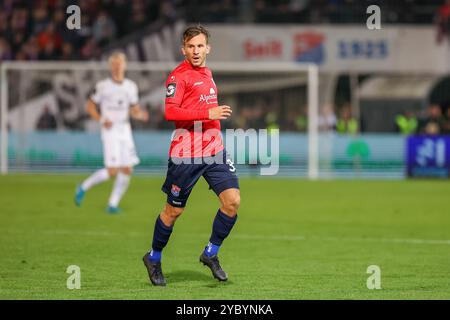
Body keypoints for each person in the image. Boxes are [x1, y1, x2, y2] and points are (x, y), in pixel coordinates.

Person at [142, 25, 240, 286]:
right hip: (186, 154)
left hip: (214, 151)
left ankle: (211, 253)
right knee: (173, 211)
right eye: (191, 46)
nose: (196, 51)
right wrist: (208, 114)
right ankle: (154, 257)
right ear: (183, 49)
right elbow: (171, 112)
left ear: (208, 48)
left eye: (200, 46)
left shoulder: (207, 73)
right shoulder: (178, 77)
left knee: (232, 202)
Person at [74, 52, 149, 213]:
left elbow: (134, 109)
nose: (117, 66)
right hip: (110, 130)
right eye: (114, 63)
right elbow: (90, 107)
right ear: (110, 66)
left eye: (119, 63)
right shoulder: (103, 86)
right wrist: (102, 120)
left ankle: (112, 205)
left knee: (127, 169)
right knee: (112, 170)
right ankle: (83, 186)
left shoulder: (130, 86)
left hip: (125, 129)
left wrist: (140, 115)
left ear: (124, 65)